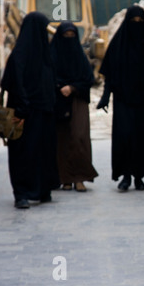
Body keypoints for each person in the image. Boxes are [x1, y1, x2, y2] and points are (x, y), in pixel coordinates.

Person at [97, 5, 144, 191]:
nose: (137, 25)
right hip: (123, 100)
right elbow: (109, 73)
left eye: (140, 22)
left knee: (142, 137)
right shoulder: (118, 44)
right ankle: (125, 176)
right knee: (125, 137)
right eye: (134, 22)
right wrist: (105, 97)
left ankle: (139, 176)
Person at [0, 12, 60, 209]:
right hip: (23, 114)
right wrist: (23, 108)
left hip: (44, 113)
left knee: (43, 152)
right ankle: (22, 193)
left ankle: (42, 189)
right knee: (23, 154)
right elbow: (14, 84)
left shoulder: (45, 54)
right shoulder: (19, 56)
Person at [50, 21, 98, 192]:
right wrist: (59, 87)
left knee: (79, 138)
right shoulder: (52, 55)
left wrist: (73, 88)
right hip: (58, 101)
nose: (69, 39)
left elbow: (88, 79)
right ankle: (65, 179)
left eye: (72, 36)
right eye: (65, 36)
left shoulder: (80, 56)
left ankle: (80, 177)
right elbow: (48, 76)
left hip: (77, 100)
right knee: (61, 140)